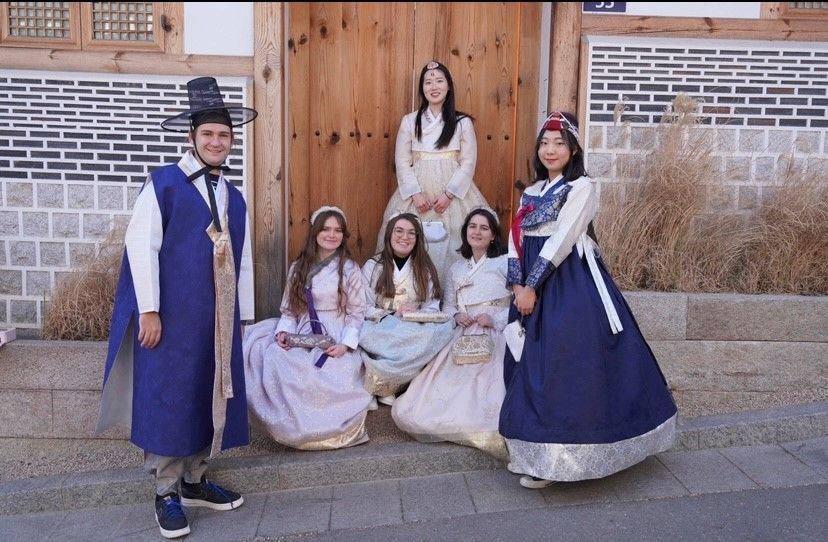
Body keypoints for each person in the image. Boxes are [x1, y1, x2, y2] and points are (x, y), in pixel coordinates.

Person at [96, 77, 257, 538]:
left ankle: (195, 480)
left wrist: (240, 317)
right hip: (171, 316)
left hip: (216, 319)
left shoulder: (234, 197)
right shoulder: (163, 183)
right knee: (169, 395)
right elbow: (140, 245)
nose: (216, 142)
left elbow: (241, 260)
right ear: (191, 137)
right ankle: (166, 490)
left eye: (223, 136)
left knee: (210, 391)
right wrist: (149, 309)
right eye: (207, 134)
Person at [499, 112, 678, 489]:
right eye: (545, 143)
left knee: (565, 365)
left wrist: (532, 285)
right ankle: (535, 454)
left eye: (559, 143)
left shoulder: (582, 187)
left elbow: (562, 239)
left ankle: (568, 458)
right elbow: (514, 241)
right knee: (526, 363)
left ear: (574, 148)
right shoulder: (530, 192)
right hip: (529, 286)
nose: (550, 150)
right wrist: (517, 286)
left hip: (568, 284)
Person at [243, 206, 372, 450]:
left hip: (335, 330)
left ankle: (323, 432)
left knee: (329, 371)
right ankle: (287, 426)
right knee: (272, 356)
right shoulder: (299, 267)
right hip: (302, 330)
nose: (332, 235)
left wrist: (345, 344)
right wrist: (283, 332)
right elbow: (290, 310)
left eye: (338, 230)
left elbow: (357, 313)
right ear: (315, 232)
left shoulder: (350, 268)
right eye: (326, 229)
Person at [392, 207, 509, 459]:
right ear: (465, 231)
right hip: (464, 332)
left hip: (496, 332)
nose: (477, 232)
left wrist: (494, 318)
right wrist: (456, 316)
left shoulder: (506, 264)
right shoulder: (456, 269)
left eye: (484, 228)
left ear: (493, 235)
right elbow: (448, 305)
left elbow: (519, 303)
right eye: (472, 227)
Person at [377, 60, 490, 284]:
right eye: (428, 82)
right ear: (422, 88)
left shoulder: (461, 122)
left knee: (456, 237)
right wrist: (414, 194)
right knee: (410, 236)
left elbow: (468, 162)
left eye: (439, 81)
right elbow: (402, 160)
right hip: (416, 192)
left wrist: (449, 195)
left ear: (449, 86)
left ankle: (453, 294)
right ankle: (408, 290)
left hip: (454, 192)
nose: (434, 86)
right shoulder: (410, 121)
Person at [360, 212, 454, 406]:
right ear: (389, 234)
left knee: (443, 329)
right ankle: (382, 384)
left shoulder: (425, 268)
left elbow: (432, 306)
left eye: (412, 233)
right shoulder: (373, 266)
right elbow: (363, 306)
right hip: (381, 325)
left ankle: (390, 385)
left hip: (412, 325)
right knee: (369, 334)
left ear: (418, 238)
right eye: (399, 231)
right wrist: (390, 314)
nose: (405, 237)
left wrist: (415, 313)